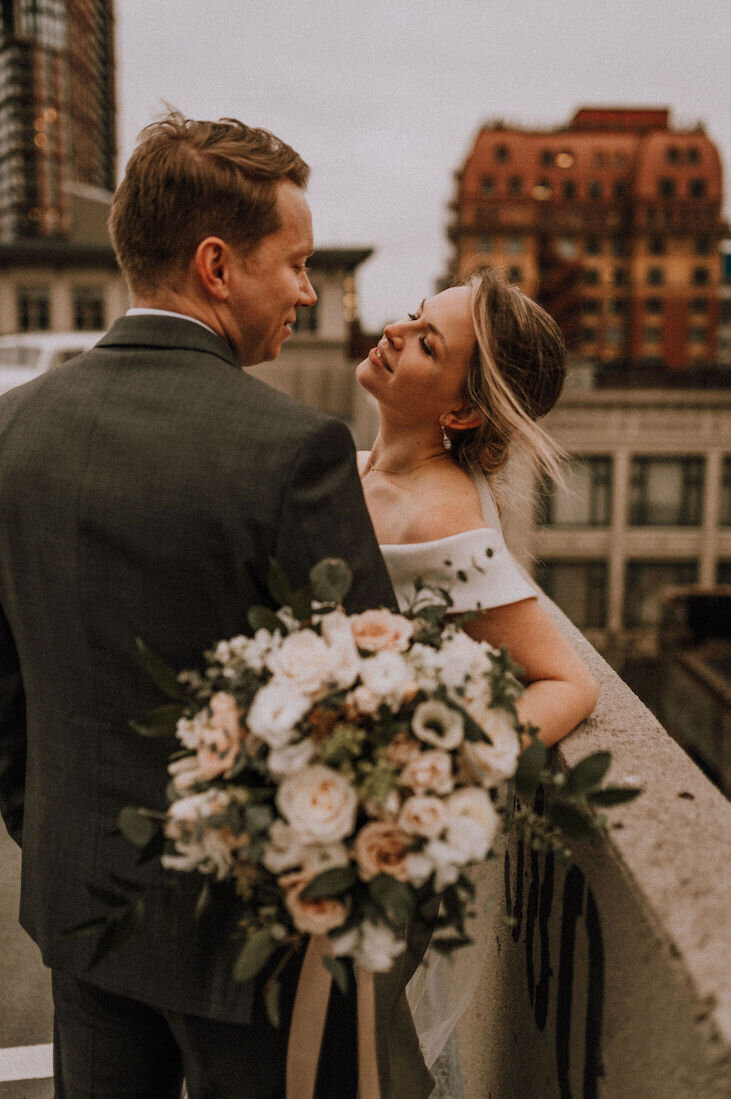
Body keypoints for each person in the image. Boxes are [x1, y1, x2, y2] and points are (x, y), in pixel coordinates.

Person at [0, 113, 431, 1099]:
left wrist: (60, 830)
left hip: (80, 910)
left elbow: (5, 691)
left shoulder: (10, 432)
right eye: (296, 261)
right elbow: (378, 704)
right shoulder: (295, 451)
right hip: (257, 952)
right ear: (216, 266)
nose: (308, 291)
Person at [355, 267, 599, 1084]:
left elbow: (565, 679)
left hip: (384, 850)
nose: (395, 330)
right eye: (416, 317)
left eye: (427, 342)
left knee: (357, 1059)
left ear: (460, 411)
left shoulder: (441, 515)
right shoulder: (356, 473)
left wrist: (444, 771)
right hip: (330, 831)